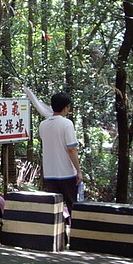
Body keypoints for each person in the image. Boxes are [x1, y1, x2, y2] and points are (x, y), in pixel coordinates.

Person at [38, 92, 83, 223]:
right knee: (73, 207)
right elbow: (71, 149)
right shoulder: (67, 124)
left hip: (50, 173)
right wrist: (78, 171)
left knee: (54, 209)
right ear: (65, 108)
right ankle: (74, 236)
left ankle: (56, 238)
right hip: (67, 173)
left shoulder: (43, 125)